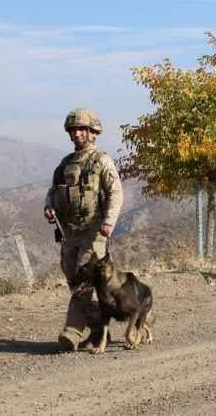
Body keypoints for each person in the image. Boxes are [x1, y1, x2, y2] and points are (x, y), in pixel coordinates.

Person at [43, 108, 123, 351]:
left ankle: (73, 331)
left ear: (92, 132)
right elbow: (53, 190)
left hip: (94, 230)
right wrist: (48, 206)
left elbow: (115, 192)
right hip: (69, 231)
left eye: (81, 129)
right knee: (73, 278)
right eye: (73, 130)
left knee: (83, 280)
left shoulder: (101, 160)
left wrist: (109, 221)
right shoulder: (65, 163)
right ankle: (102, 328)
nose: (77, 133)